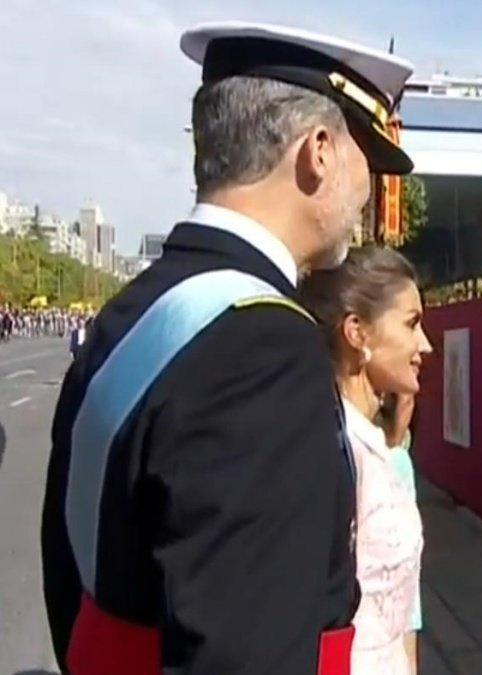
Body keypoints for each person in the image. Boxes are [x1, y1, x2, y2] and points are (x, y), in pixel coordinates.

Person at [40, 22, 417, 673]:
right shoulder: (261, 347)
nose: (366, 193)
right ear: (318, 151)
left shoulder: (137, 311)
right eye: (367, 161)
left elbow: (75, 578)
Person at [299, 247, 433, 675]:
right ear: (357, 332)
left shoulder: (371, 442)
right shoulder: (329, 449)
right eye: (411, 324)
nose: (425, 346)